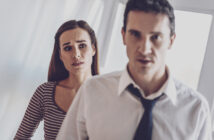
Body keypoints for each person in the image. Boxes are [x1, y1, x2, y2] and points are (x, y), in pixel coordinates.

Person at [56, 0, 212, 139]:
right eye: (135, 34)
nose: (144, 49)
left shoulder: (196, 109)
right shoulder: (91, 91)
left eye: (155, 37)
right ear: (123, 36)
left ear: (171, 41)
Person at [14, 19, 99, 139]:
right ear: (60, 55)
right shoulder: (44, 93)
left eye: (82, 46)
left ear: (93, 49)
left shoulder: (108, 92)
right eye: (68, 48)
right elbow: (21, 137)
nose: (76, 54)